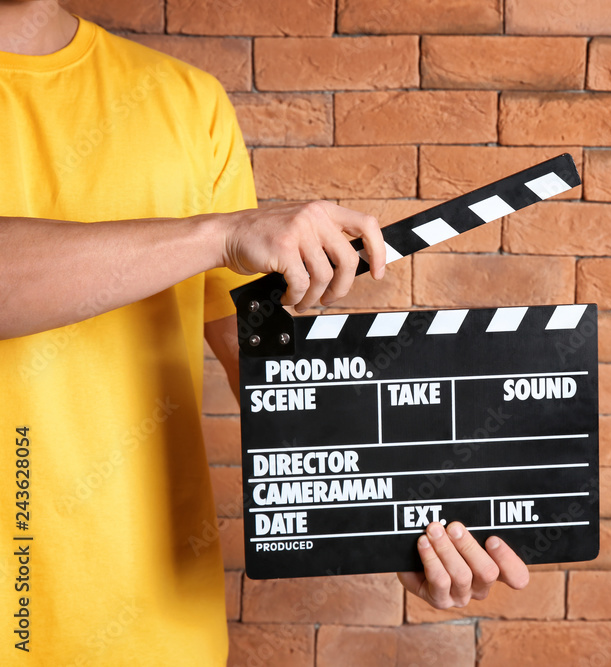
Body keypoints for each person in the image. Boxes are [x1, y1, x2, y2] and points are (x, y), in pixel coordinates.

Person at [0, 1, 528, 663]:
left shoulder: (187, 104)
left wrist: (393, 523)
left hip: (153, 637)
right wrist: (220, 234)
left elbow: (263, 377)